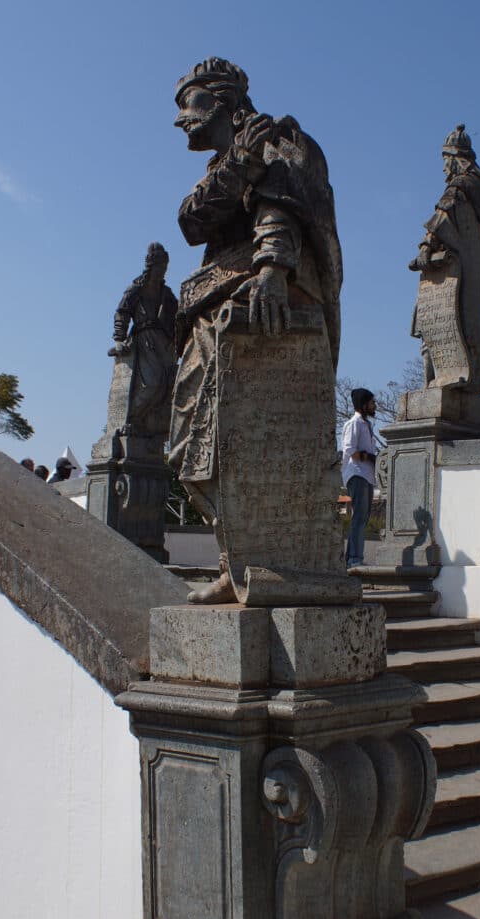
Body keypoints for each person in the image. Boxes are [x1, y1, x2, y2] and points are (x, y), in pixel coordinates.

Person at [168, 57, 342, 603]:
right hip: (212, 304)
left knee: (240, 443)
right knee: (188, 450)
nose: (180, 120)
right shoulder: (232, 159)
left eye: (188, 105)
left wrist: (272, 267)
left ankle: (262, 564)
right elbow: (192, 220)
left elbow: (284, 205)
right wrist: (238, 167)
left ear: (220, 102)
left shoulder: (281, 139)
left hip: (255, 297)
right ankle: (239, 561)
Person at [409, 125, 480, 396]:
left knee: (436, 326)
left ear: (454, 159)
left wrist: (426, 247)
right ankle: (470, 380)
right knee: (470, 327)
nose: (444, 169)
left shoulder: (461, 187)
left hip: (456, 273)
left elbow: (443, 215)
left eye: (445, 161)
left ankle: (434, 384)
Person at [108, 242, 177, 435]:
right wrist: (119, 339)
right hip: (144, 340)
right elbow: (122, 312)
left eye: (165, 267)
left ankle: (147, 426)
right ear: (151, 266)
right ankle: (132, 419)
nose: (163, 271)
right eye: (160, 267)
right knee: (151, 384)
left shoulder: (167, 294)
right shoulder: (135, 289)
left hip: (163, 343)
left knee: (166, 386)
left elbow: (178, 317)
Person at [341, 388, 379, 570]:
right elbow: (349, 449)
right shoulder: (353, 424)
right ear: (363, 405)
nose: (374, 406)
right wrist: (367, 457)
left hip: (367, 475)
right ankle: (353, 558)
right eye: (372, 402)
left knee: (363, 517)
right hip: (357, 473)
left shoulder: (367, 425)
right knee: (358, 517)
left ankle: (355, 556)